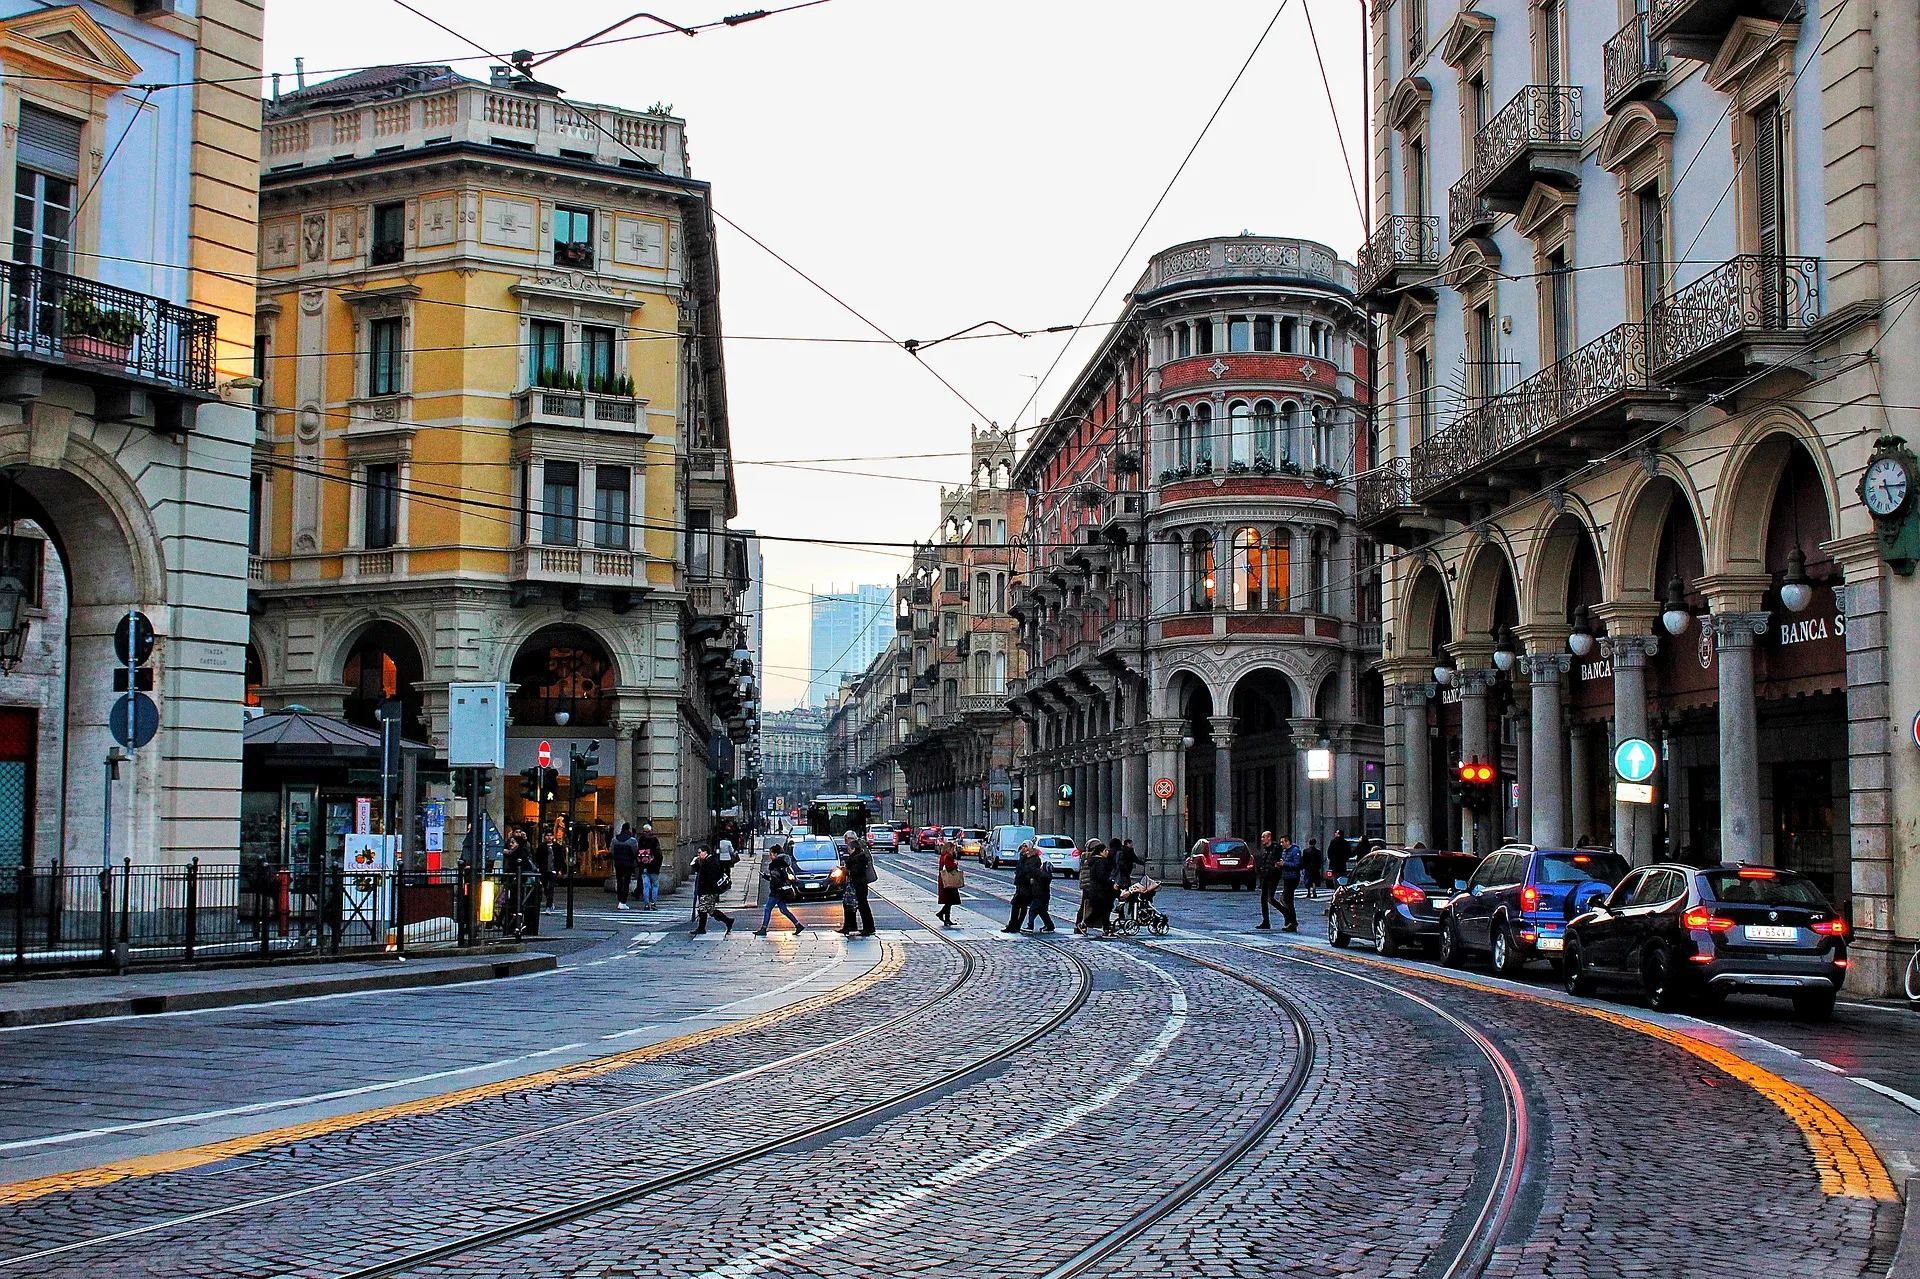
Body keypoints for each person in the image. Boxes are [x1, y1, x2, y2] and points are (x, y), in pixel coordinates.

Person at [753, 842, 805, 936]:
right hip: (783, 889)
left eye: (771, 854)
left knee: (767, 908)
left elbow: (775, 879)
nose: (770, 856)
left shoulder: (774, 864)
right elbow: (781, 877)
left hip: (776, 891)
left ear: (776, 854)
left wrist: (770, 880)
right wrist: (767, 877)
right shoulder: (783, 863)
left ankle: (764, 929)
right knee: (784, 910)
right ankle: (798, 925)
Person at [690, 844, 735, 935]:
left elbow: (710, 877)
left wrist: (708, 889)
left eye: (700, 852)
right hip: (707, 889)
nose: (698, 854)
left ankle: (701, 928)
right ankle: (728, 921)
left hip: (708, 890)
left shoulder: (711, 861)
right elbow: (700, 872)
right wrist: (695, 863)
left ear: (705, 852)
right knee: (710, 910)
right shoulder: (707, 860)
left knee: (703, 908)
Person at [840, 834, 877, 936]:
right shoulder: (857, 856)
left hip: (858, 885)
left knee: (862, 906)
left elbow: (856, 871)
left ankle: (868, 928)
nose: (848, 850)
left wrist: (846, 870)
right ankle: (850, 926)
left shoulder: (859, 857)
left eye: (849, 848)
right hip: (855, 885)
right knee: (850, 904)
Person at [1081, 841, 1116, 936]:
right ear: (1100, 852)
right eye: (1105, 850)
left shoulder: (1095, 861)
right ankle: (1086, 924)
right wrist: (1111, 883)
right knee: (1102, 910)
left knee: (1102, 911)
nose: (1107, 852)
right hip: (1100, 891)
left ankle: (1106, 928)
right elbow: (1102, 877)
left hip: (1096, 890)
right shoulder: (1101, 862)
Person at [1022, 844, 1056, 933]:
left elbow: (1033, 870)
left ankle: (1030, 926)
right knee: (1042, 912)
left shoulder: (1041, 874)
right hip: (1044, 896)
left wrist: (1028, 858)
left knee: (1032, 911)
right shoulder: (1045, 875)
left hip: (1039, 896)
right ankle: (1050, 926)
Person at [1004, 841, 1036, 933]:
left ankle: (1016, 925)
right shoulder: (1022, 857)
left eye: (1026, 846)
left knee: (1022, 906)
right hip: (1020, 885)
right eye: (1023, 846)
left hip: (1027, 886)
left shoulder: (1033, 858)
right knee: (1016, 905)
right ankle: (1012, 925)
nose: (1024, 848)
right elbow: (1019, 869)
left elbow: (1029, 871)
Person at [609, 822, 641, 910]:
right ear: (628, 829)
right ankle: (623, 901)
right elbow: (635, 852)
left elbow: (611, 851)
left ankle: (620, 900)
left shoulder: (615, 839)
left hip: (618, 863)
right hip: (628, 864)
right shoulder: (632, 840)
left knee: (619, 881)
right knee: (626, 882)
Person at [1253, 832, 1281, 929]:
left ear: (1269, 837)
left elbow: (1278, 862)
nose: (1261, 839)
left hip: (1273, 877)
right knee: (1264, 899)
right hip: (1265, 876)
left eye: (1263, 837)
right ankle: (1266, 921)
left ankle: (1287, 915)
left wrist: (1274, 870)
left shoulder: (1276, 848)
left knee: (1271, 899)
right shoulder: (1266, 850)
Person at [1276, 834, 1302, 931]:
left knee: (1286, 899)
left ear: (1288, 842)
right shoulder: (1284, 851)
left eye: (1283, 842)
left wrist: (1284, 864)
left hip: (1293, 877)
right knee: (1286, 899)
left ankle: (1292, 921)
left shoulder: (1295, 851)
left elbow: (1297, 864)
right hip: (1286, 877)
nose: (1281, 844)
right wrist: (1280, 864)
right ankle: (1290, 920)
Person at [935, 844, 963, 927]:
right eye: (952, 848)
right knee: (950, 900)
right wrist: (955, 864)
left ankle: (946, 918)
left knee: (949, 900)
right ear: (949, 849)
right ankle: (942, 915)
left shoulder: (943, 856)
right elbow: (949, 867)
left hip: (944, 880)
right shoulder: (947, 856)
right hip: (948, 881)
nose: (953, 850)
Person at [635, 823, 662, 908]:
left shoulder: (641, 840)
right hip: (654, 867)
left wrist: (640, 864)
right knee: (655, 886)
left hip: (644, 867)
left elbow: (637, 853)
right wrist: (658, 865)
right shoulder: (654, 840)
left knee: (645, 886)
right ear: (651, 831)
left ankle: (646, 904)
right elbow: (659, 855)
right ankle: (653, 903)